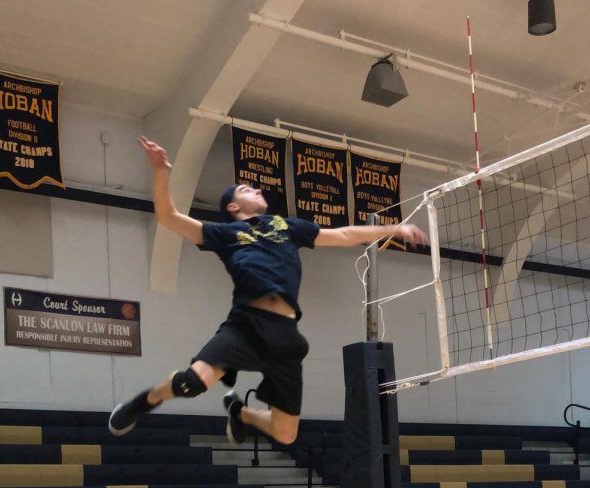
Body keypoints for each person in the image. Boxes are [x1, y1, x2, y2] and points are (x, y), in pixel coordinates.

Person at [108, 136, 428, 445]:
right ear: (233, 206)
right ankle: (144, 401)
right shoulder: (226, 233)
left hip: (285, 335)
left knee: (286, 433)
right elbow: (168, 216)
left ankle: (241, 413)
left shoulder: (286, 226)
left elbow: (343, 234)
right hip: (245, 325)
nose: (258, 188)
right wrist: (161, 170)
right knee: (190, 383)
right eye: (247, 189)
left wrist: (394, 229)